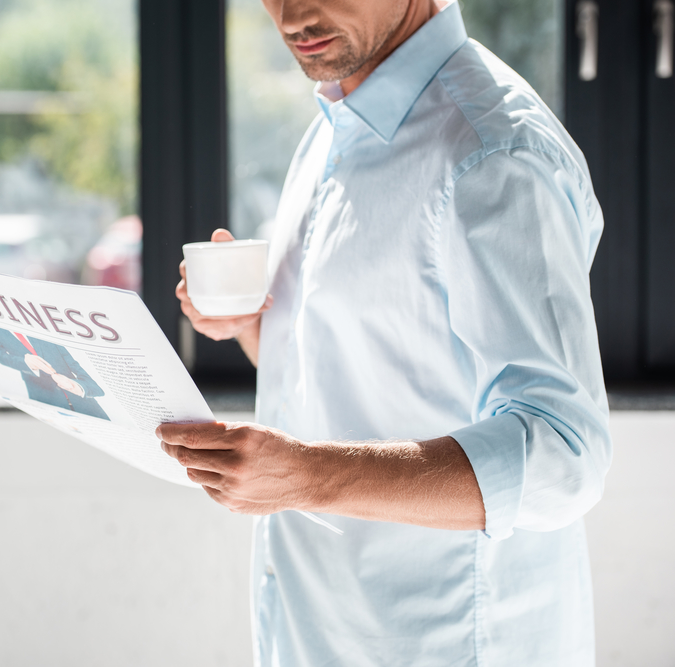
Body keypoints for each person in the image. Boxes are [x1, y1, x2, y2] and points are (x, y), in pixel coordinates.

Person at [157, 0, 610, 665]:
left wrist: (307, 475)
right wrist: (253, 326)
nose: (291, 15)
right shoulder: (333, 126)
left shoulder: (492, 151)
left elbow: (562, 455)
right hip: (318, 631)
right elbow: (365, 368)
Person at [0, 320, 109, 420]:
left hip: (83, 401)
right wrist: (26, 363)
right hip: (43, 396)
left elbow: (71, 362)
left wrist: (78, 386)